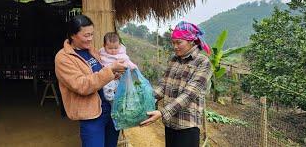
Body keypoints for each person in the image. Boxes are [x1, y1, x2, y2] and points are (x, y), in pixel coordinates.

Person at [54, 15, 127, 147]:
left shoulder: (92, 50)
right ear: (72, 35)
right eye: (86, 35)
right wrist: (110, 70)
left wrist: (114, 75)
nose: (90, 39)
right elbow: (82, 85)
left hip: (111, 109)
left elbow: (101, 75)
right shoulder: (63, 58)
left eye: (92, 34)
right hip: (91, 116)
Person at [140, 21, 213, 147]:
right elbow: (163, 87)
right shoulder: (174, 60)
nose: (175, 46)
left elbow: (189, 94)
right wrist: (144, 97)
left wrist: (162, 112)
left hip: (187, 126)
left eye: (179, 42)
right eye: (173, 42)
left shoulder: (202, 62)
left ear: (191, 41)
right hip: (170, 123)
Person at [99, 32, 137, 101]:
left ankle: (122, 98)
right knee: (107, 86)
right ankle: (111, 98)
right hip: (108, 76)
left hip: (119, 76)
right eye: (110, 48)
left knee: (124, 86)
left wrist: (133, 67)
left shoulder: (121, 54)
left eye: (116, 48)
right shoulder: (102, 53)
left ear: (119, 45)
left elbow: (127, 61)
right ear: (104, 46)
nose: (113, 50)